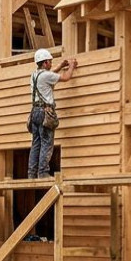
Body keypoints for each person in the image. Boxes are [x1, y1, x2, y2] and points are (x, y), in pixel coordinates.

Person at [27, 48, 76, 179]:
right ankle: (43, 173)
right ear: (45, 62)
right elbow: (66, 77)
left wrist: (60, 65)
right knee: (46, 142)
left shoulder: (34, 75)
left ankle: (32, 173)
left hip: (34, 112)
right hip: (45, 112)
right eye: (50, 62)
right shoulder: (46, 76)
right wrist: (71, 66)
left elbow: (50, 74)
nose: (51, 64)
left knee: (36, 143)